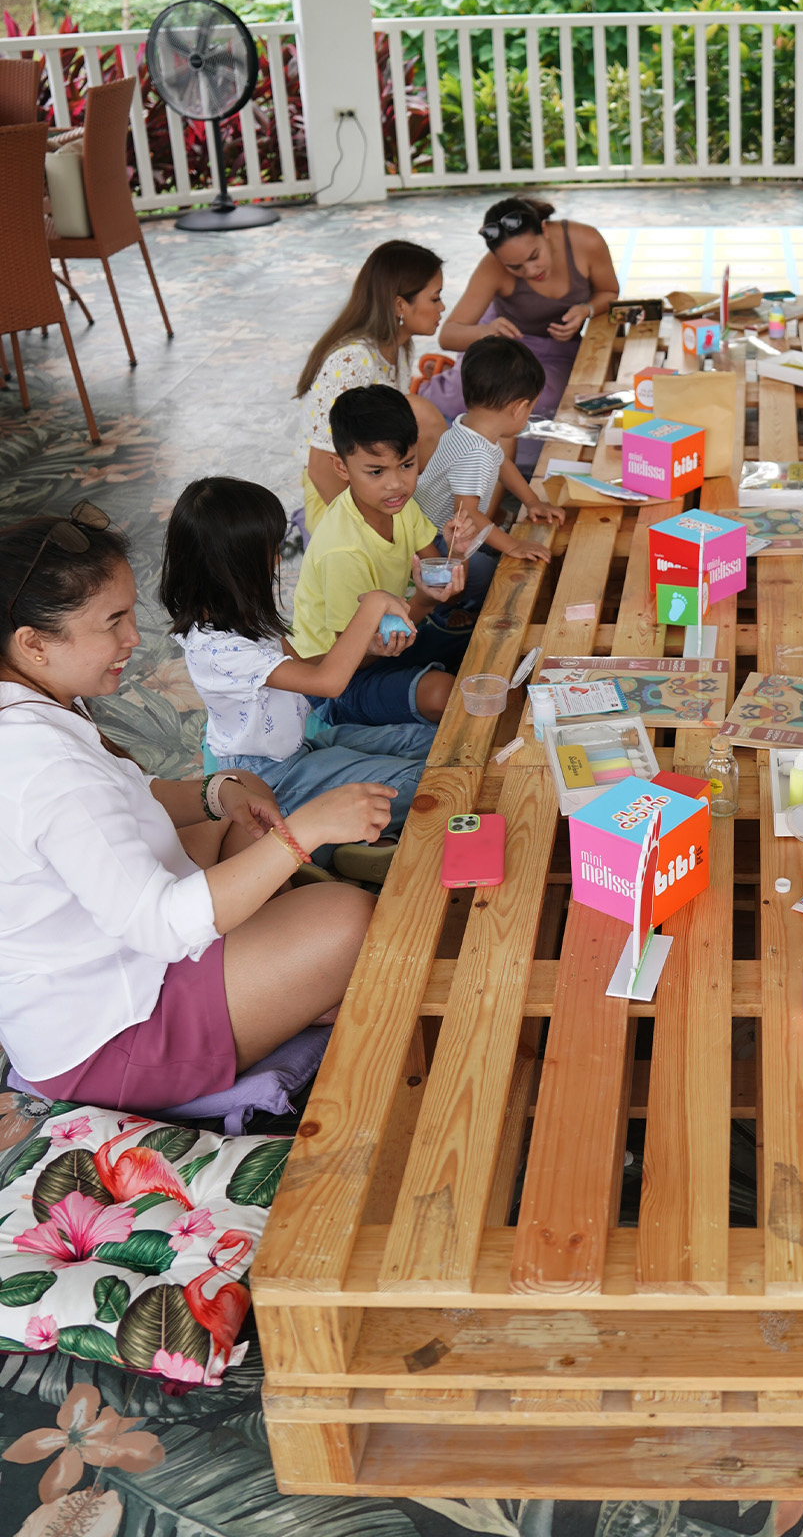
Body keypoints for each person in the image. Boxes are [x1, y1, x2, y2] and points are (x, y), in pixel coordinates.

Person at [0, 504, 394, 1109]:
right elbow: (158, 924)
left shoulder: (36, 702)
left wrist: (219, 791)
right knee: (346, 918)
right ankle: (290, 980)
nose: (135, 638)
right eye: (114, 621)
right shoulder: (46, 767)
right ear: (34, 643)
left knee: (240, 833)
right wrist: (306, 832)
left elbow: (133, 793)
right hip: (117, 1034)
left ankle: (287, 976)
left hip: (116, 958)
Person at [161, 476, 440, 882]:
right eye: (270, 551)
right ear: (236, 565)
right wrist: (374, 605)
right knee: (421, 779)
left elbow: (306, 673)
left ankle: (347, 839)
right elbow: (329, 684)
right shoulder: (217, 649)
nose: (278, 560)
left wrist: (366, 650)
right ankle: (314, 843)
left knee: (432, 743)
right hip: (269, 778)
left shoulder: (240, 617)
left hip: (299, 748)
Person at [291, 386, 464, 729]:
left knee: (483, 640)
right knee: (442, 695)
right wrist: (426, 602)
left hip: (391, 638)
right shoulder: (343, 551)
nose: (396, 484)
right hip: (340, 678)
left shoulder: (400, 507)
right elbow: (356, 658)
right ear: (341, 467)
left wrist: (457, 552)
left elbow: (434, 571)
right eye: (376, 471)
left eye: (407, 465)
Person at [420, 196, 619, 425]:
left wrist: (587, 309)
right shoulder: (493, 266)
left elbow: (609, 291)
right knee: (475, 396)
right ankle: (445, 380)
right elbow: (448, 335)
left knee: (538, 400)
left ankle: (454, 372)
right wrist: (488, 332)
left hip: (558, 347)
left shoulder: (586, 241)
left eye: (534, 256)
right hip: (504, 343)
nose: (531, 270)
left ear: (544, 229)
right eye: (515, 267)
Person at [296, 240, 449, 533]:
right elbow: (320, 468)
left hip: (379, 483)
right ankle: (430, 523)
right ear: (399, 304)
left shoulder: (399, 347)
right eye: (435, 298)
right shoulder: (352, 360)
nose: (442, 307)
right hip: (336, 498)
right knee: (422, 415)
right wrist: (368, 533)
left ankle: (430, 522)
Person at [417, 336, 562, 616]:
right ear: (519, 408)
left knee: (482, 559)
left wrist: (532, 501)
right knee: (485, 576)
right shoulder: (476, 454)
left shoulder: (468, 425)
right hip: (435, 541)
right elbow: (468, 515)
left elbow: (502, 462)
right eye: (530, 409)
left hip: (437, 528)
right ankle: (453, 616)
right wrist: (514, 546)